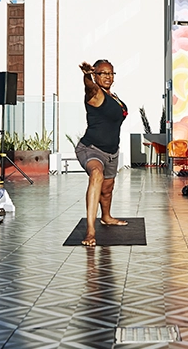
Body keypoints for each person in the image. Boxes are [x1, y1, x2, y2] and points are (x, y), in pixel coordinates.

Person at [75, 60, 129, 247]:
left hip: (111, 152)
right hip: (91, 148)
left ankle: (106, 216)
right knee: (96, 175)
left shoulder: (113, 96)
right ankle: (91, 229)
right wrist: (86, 76)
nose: (108, 76)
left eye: (111, 73)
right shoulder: (95, 93)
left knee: (107, 190)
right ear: (96, 75)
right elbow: (89, 87)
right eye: (103, 73)